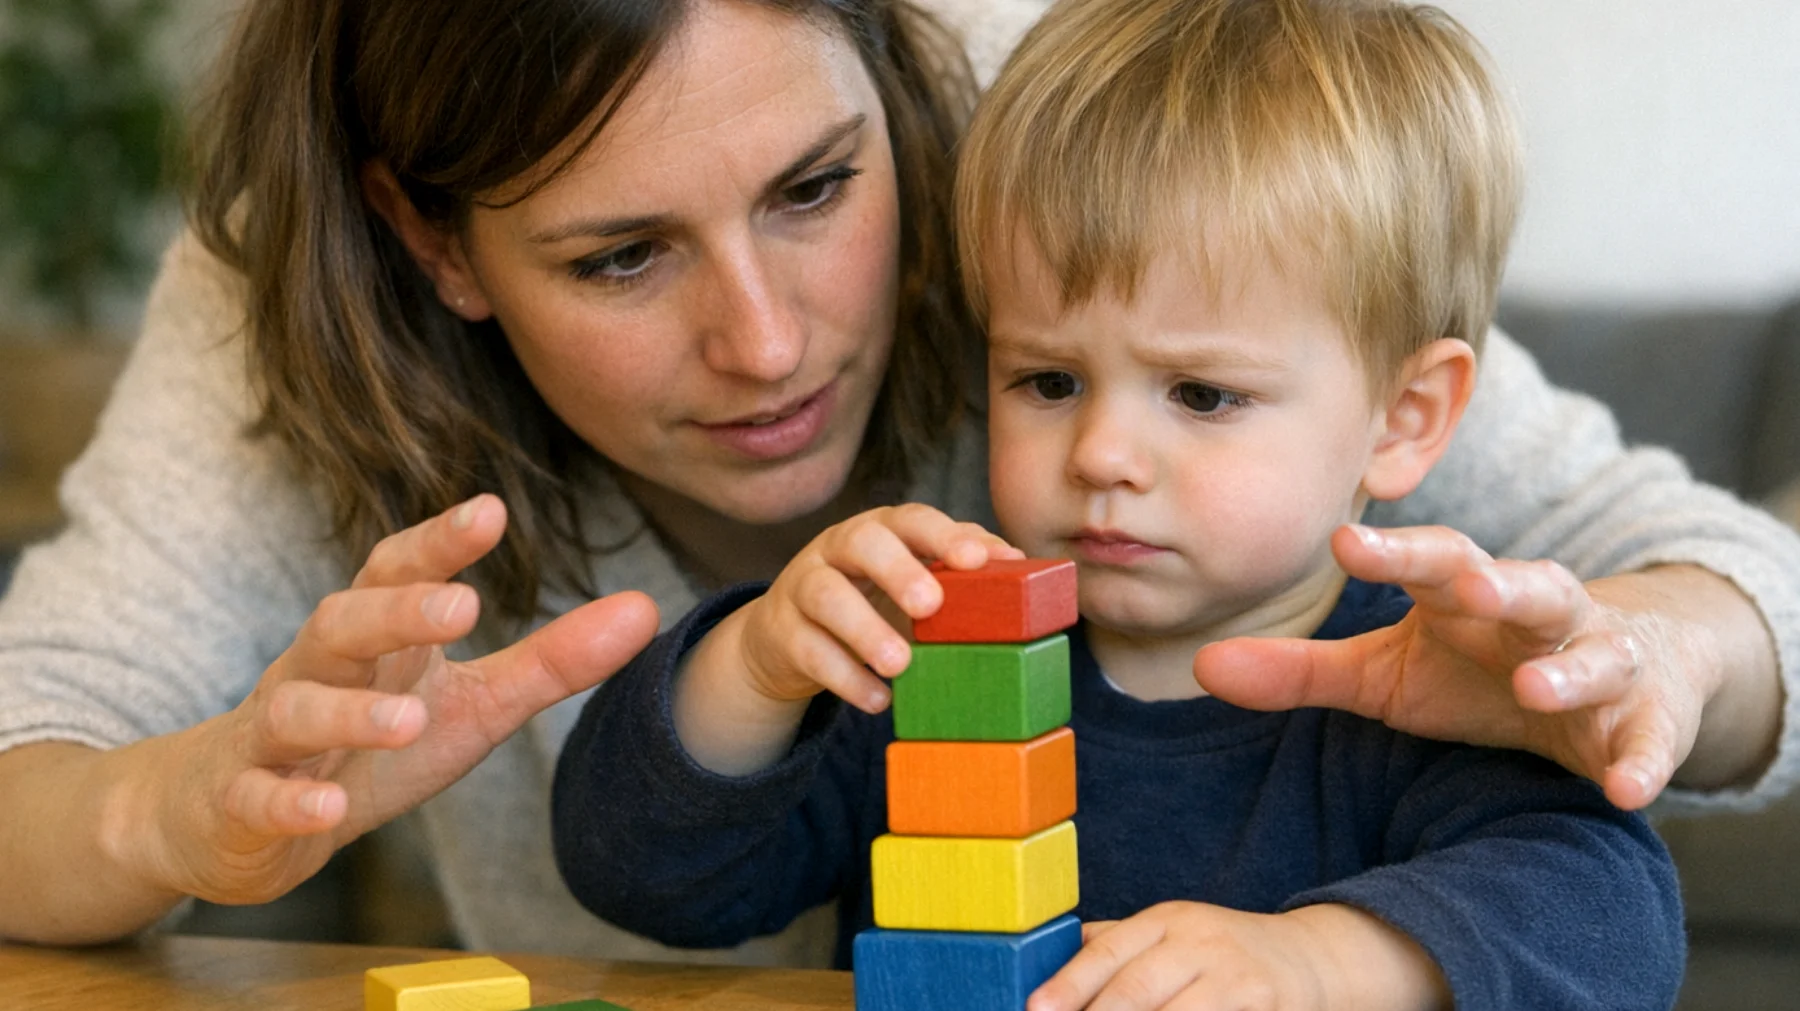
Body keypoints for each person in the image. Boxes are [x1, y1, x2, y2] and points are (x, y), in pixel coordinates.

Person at [0, 0, 1791, 959]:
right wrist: (174, 814)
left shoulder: (1109, 161)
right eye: (620, 257)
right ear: (433, 243)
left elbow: (1630, 799)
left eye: (814, 187)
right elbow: (649, 861)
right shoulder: (921, 646)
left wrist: (1617, 673)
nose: (771, 344)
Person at [549, 2, 1683, 1007]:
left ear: (1403, 418)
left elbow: (1618, 926)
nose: (1101, 454)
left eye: (1201, 394)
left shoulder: (1429, 677)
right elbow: (646, 882)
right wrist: (755, 670)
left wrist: (1327, 964)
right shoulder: (933, 655)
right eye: (1049, 382)